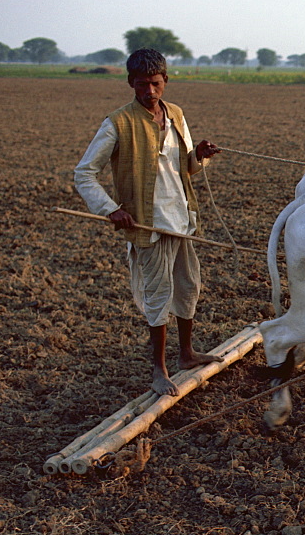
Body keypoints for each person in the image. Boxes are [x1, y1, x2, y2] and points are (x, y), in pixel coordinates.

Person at [74, 48, 222, 396]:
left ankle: (186, 354)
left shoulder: (177, 115)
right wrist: (110, 209)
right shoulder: (117, 123)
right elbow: (84, 174)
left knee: (188, 288)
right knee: (158, 297)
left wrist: (199, 156)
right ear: (131, 83)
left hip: (181, 219)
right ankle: (159, 370)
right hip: (148, 225)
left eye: (156, 84)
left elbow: (186, 168)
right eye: (142, 85)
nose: (150, 91)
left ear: (165, 81)